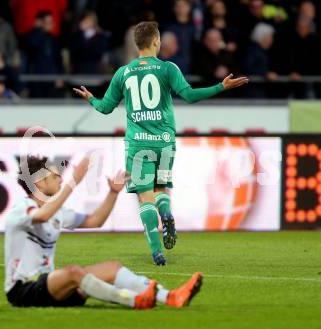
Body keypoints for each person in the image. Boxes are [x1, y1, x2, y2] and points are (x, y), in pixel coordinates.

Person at [73, 21, 248, 265]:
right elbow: (189, 95)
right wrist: (220, 86)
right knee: (160, 190)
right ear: (156, 41)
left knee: (145, 197)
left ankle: (156, 252)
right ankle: (166, 213)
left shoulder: (123, 72)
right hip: (165, 143)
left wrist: (91, 99)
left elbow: (105, 108)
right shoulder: (168, 68)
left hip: (137, 144)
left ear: (137, 44)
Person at [5, 155, 203, 308]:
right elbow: (42, 216)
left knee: (112, 268)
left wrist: (113, 193)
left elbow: (95, 221)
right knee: (73, 272)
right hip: (23, 289)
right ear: (38, 183)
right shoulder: (21, 208)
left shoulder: (57, 212)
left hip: (50, 288)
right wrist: (73, 183)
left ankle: (171, 297)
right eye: (55, 176)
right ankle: (135, 300)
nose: (60, 179)